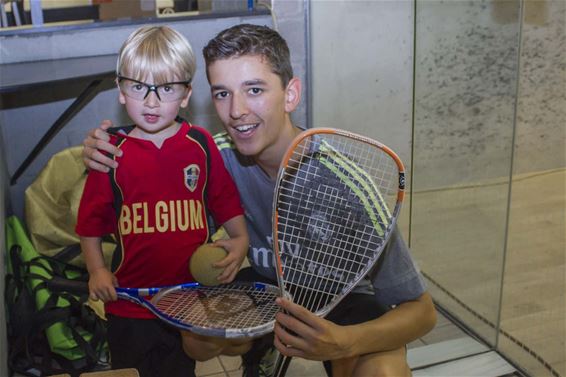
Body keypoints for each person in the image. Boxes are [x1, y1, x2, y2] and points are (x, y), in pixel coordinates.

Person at [82, 24, 437, 377]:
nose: (236, 110)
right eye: (222, 94)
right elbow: (149, 159)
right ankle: (259, 355)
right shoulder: (213, 159)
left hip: (343, 304)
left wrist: (342, 342)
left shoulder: (346, 187)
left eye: (254, 90)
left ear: (290, 94)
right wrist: (97, 148)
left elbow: (422, 312)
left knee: (384, 373)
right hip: (263, 292)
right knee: (196, 340)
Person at [75, 25, 250, 377]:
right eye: (139, 87)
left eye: (166, 89)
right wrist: (97, 269)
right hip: (129, 303)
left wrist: (241, 239)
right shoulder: (110, 152)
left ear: (186, 95)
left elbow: (225, 201)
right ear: (121, 91)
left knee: (179, 369)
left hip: (187, 299)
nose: (151, 101)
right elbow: (89, 224)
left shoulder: (200, 144)